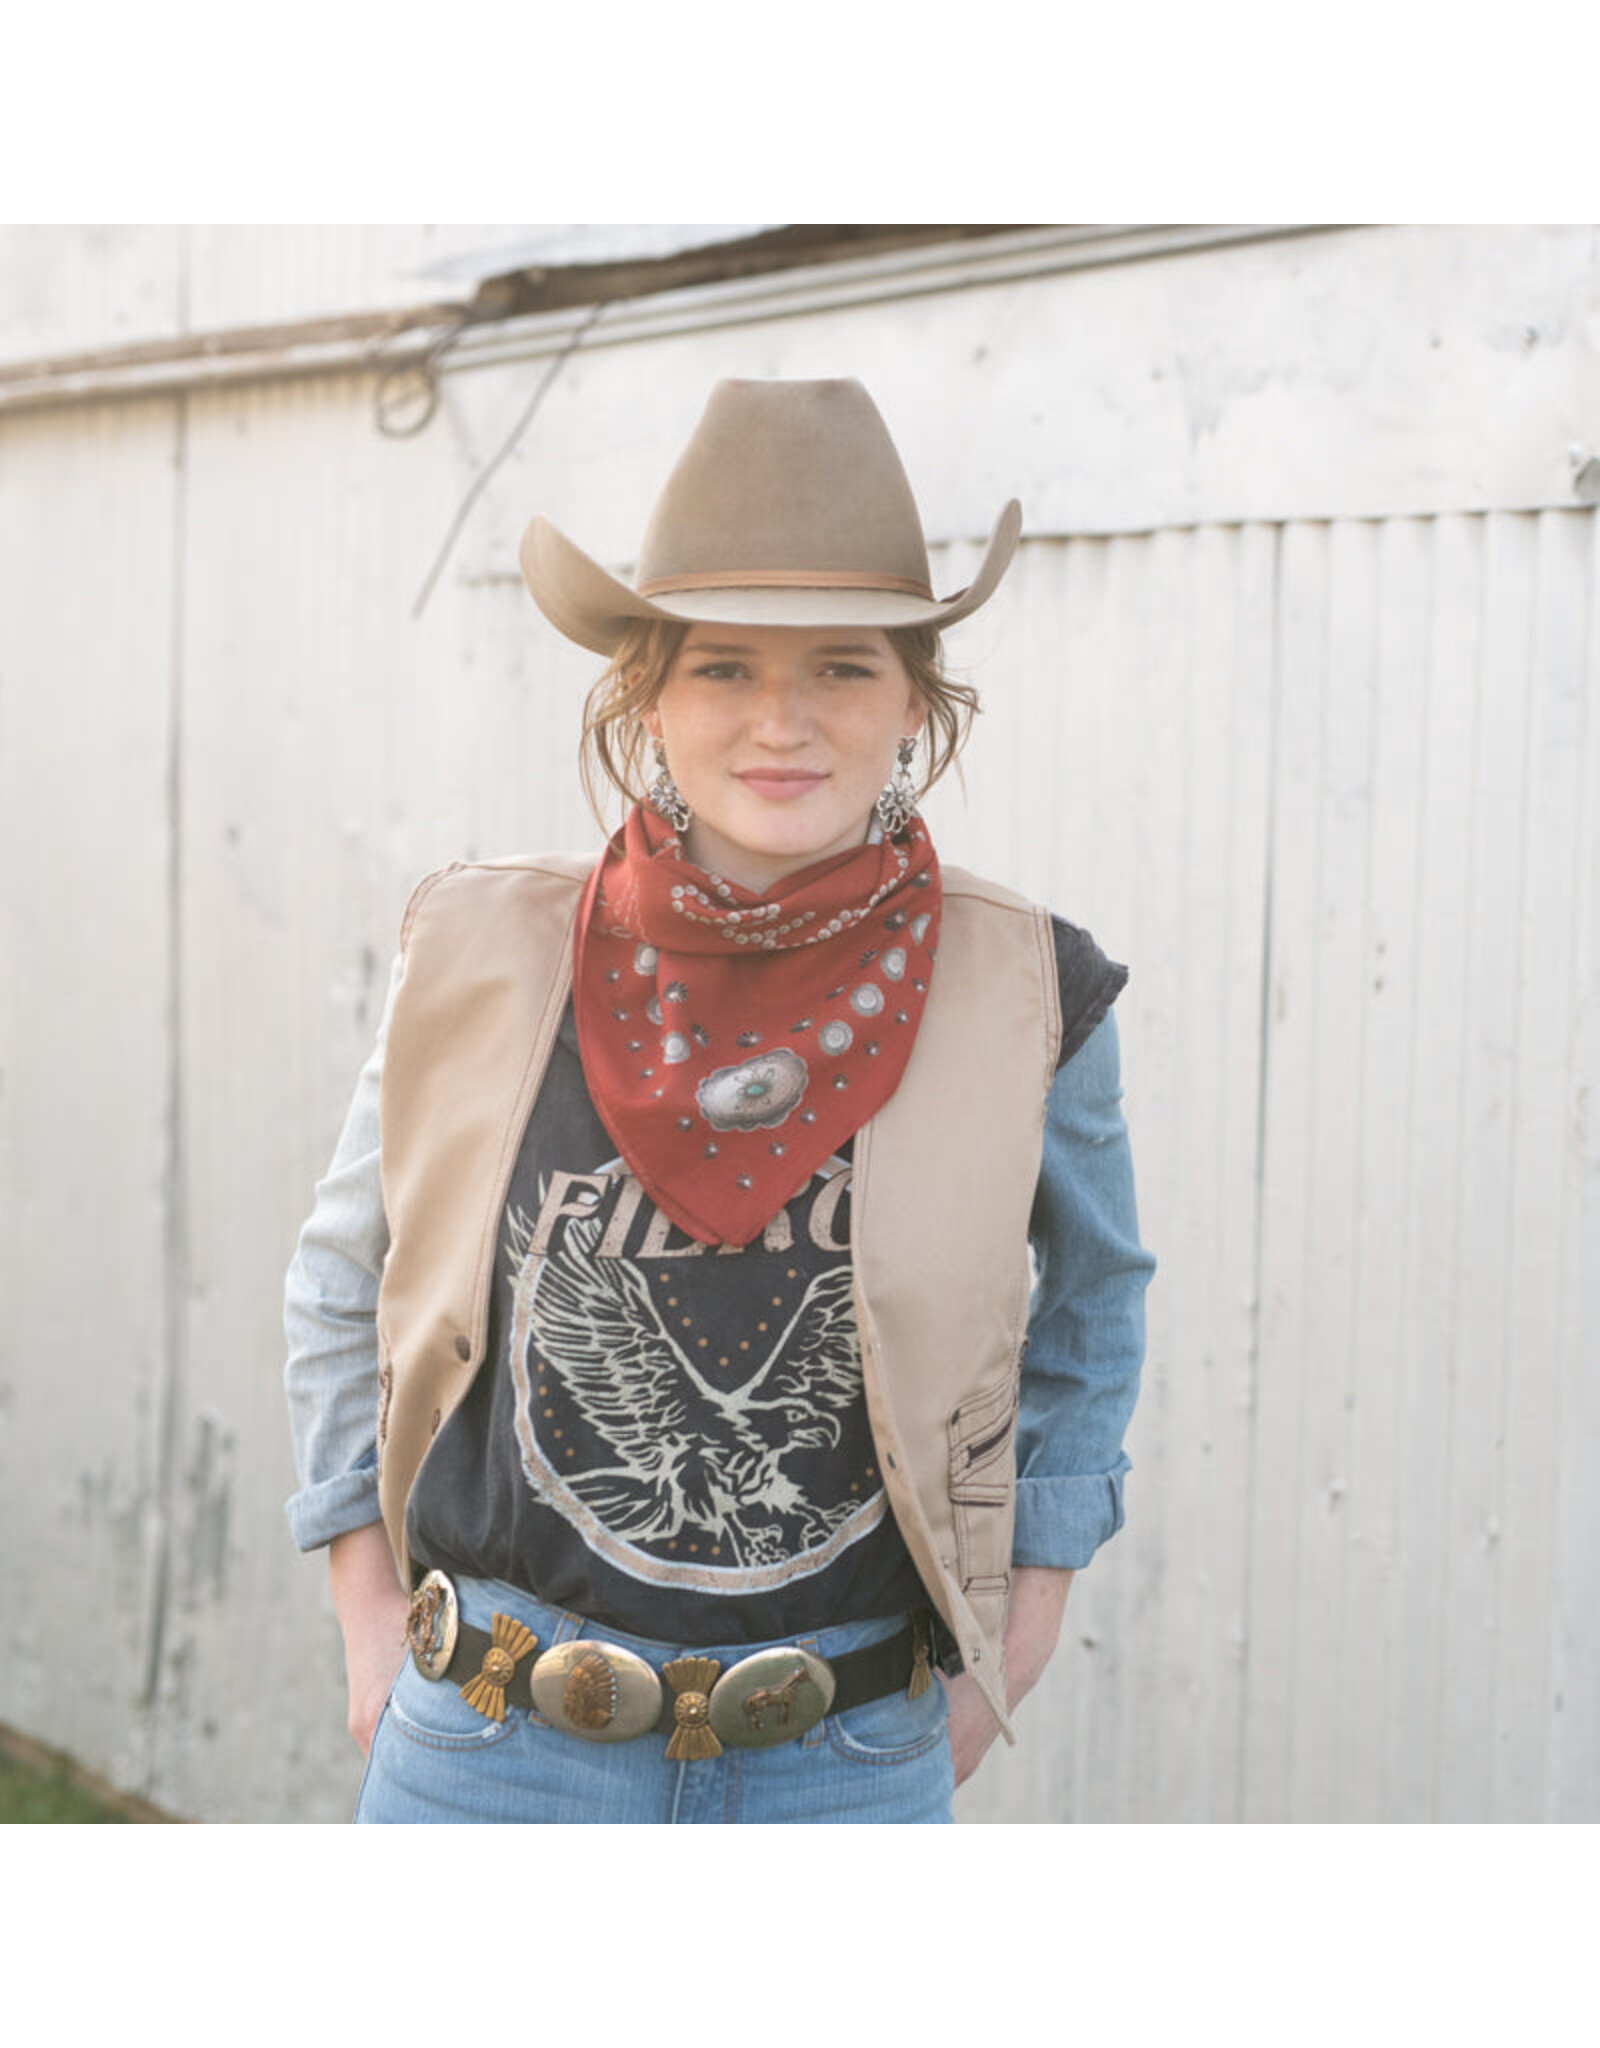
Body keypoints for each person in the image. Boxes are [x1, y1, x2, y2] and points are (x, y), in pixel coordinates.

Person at [284, 377, 1153, 1824]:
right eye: (725, 668)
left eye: (844, 667)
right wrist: (364, 1599)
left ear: (917, 705)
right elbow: (339, 1277)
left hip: (843, 1756)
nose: (783, 723)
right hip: (495, 1748)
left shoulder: (1026, 990)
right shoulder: (483, 956)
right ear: (646, 696)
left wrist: (1034, 1602)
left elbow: (1095, 1300)